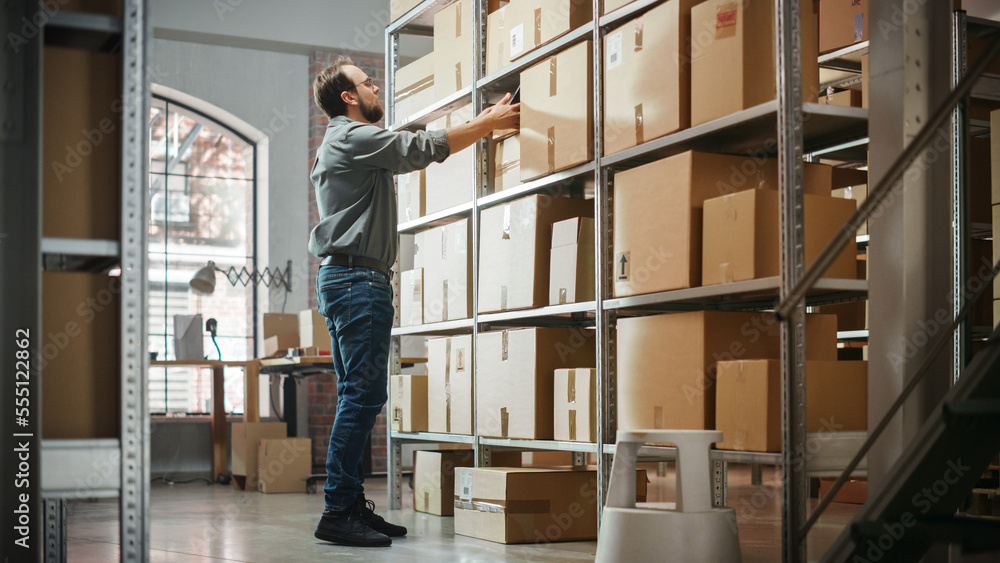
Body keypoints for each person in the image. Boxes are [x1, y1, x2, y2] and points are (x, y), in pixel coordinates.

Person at [308, 55, 520, 548]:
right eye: (366, 82)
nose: (375, 84)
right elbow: (417, 148)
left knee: (354, 397)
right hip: (358, 281)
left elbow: (406, 141)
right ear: (348, 97)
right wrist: (485, 123)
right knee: (362, 397)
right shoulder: (351, 136)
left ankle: (347, 503)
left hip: (348, 279)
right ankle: (338, 510)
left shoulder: (348, 143)